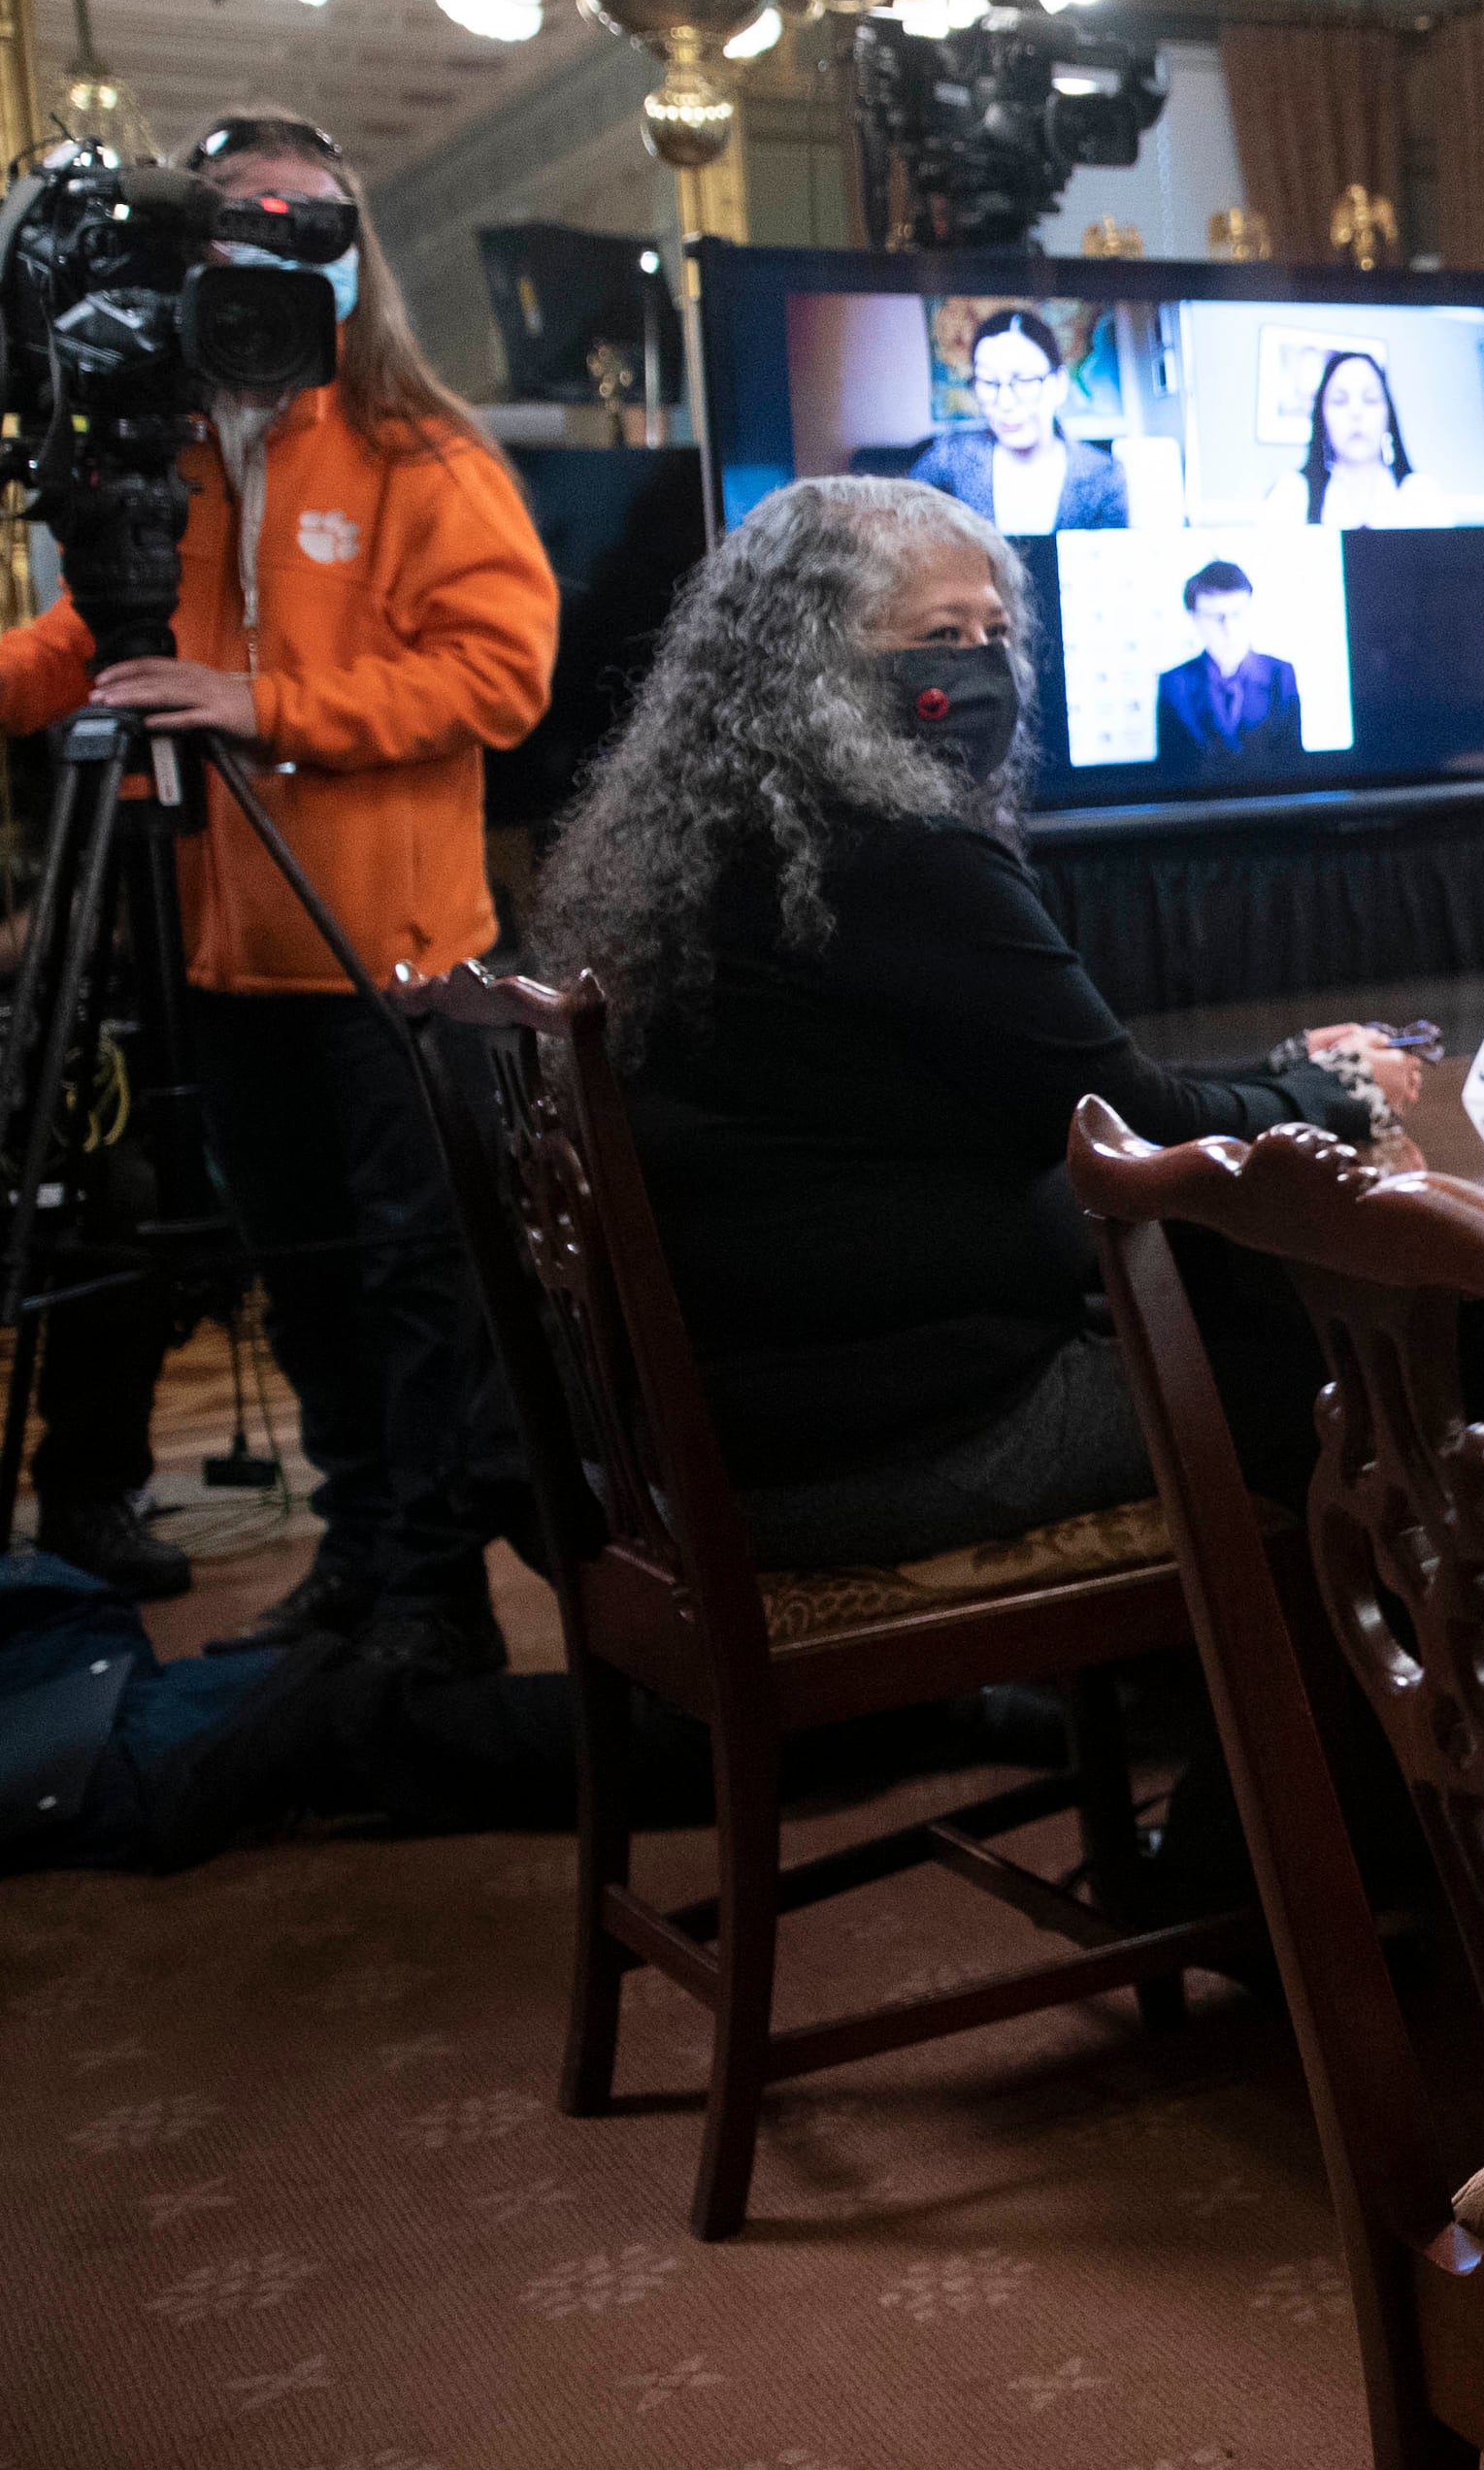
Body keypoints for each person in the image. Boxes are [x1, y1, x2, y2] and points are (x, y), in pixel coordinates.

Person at [524, 478, 1412, 1570]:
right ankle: (1307, 1734)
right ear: (811, 663)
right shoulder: (892, 854)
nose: (980, 663)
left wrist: (1278, 1070)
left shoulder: (706, 842)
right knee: (1360, 1378)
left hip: (712, 1439)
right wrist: (1336, 1099)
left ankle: (1215, 1717)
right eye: (938, 635)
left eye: (995, 630)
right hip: (885, 1450)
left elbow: (1053, 1080)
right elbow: (1127, 1118)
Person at [0, 108, 557, 1678]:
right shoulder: (161, 441)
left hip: (395, 960)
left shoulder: (417, 448)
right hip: (219, 957)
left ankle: (432, 1595)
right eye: (235, 213)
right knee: (302, 1289)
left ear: (354, 250)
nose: (266, 239)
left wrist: (262, 700)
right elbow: (92, 644)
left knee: (417, 1285)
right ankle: (364, 1547)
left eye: (306, 217)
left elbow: (501, 675)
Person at [910, 309, 1125, 532]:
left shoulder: (1104, 474)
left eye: (1023, 380)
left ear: (1058, 383)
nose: (1005, 402)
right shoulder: (948, 461)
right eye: (988, 382)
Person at [1152, 558, 1302, 769]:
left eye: (1237, 614)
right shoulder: (1174, 683)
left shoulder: (1281, 674)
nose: (1228, 627)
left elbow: (1294, 763)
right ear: (1194, 617)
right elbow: (1170, 770)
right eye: (1215, 617)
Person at [1299, 349, 1427, 528]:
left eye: (1370, 399)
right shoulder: (1294, 495)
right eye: (1340, 400)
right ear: (1321, 418)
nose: (1356, 413)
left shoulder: (1421, 494)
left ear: (1388, 415)